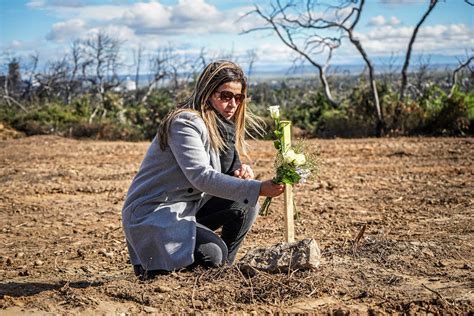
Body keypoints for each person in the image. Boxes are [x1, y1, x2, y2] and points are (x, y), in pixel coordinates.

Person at [122, 60, 284, 279]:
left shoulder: (222, 126)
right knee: (213, 253)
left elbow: (224, 172)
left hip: (188, 207)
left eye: (238, 98)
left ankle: (220, 273)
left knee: (246, 204)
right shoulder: (185, 123)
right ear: (207, 91)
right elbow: (201, 176)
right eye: (225, 96)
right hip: (157, 212)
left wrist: (242, 175)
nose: (233, 104)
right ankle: (155, 267)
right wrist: (257, 187)